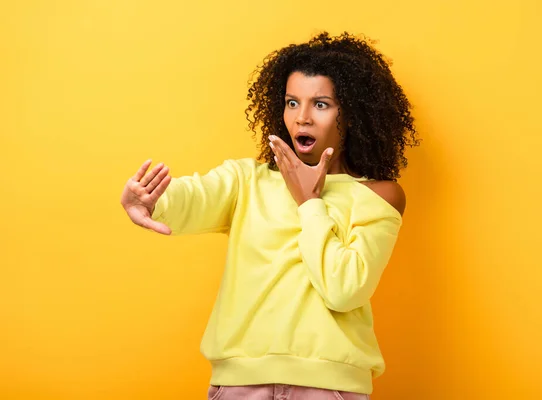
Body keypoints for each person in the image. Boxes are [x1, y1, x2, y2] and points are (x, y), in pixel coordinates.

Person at [120, 31, 420, 400]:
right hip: (241, 385)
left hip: (331, 388)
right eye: (292, 102)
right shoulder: (246, 181)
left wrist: (309, 202)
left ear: (352, 114)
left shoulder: (378, 194)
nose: (302, 118)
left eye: (321, 104)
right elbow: (190, 196)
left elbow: (345, 290)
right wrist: (148, 199)